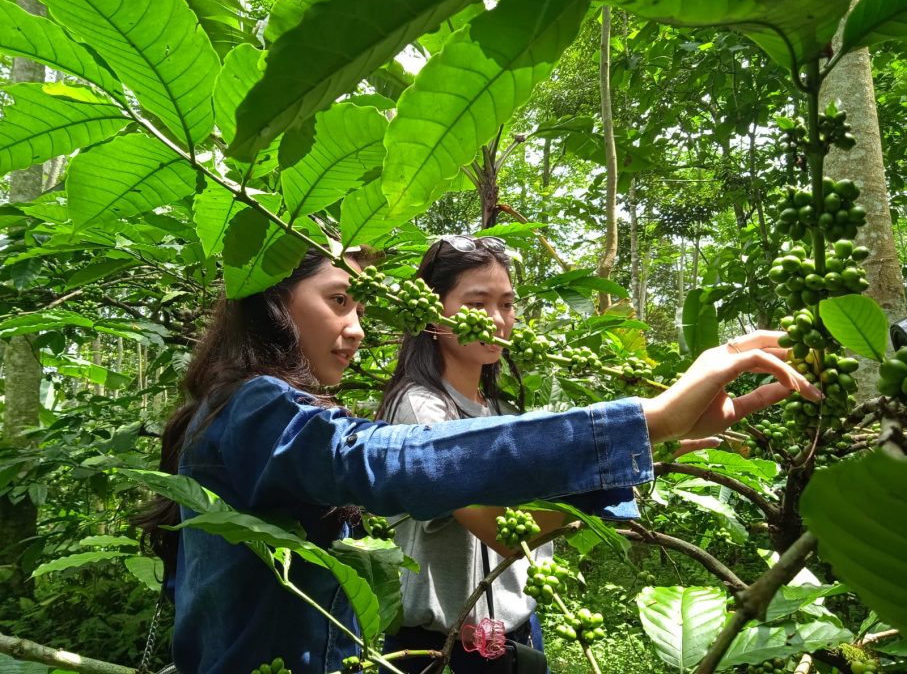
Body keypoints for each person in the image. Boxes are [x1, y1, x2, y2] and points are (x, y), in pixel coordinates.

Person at [138, 245, 821, 674]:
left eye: (360, 306)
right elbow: (391, 463)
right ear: (271, 303)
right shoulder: (255, 405)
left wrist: (647, 441)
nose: (357, 329)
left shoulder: (243, 411)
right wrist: (647, 420)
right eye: (338, 300)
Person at [376, 235, 560, 672]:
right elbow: (503, 532)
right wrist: (610, 473)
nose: (496, 319)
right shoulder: (420, 411)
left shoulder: (501, 410)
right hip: (437, 649)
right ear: (432, 311)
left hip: (514, 634)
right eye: (477, 304)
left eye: (507, 304)